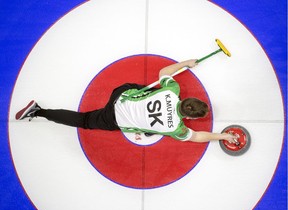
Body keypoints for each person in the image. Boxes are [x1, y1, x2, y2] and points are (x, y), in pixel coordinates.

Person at [15, 59, 236, 143]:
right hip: (116, 118)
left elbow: (165, 70)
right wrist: (224, 135)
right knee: (83, 120)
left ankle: (38, 111)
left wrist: (186, 63)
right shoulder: (176, 129)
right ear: (188, 117)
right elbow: (197, 136)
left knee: (143, 90)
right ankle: (39, 111)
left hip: (121, 94)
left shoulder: (172, 90)